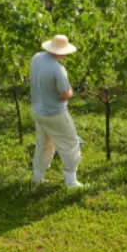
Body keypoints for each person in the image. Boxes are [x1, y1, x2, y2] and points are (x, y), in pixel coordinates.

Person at [30, 35, 85, 189]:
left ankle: (37, 177)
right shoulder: (58, 69)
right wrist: (71, 92)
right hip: (55, 114)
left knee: (43, 143)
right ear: (61, 52)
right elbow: (64, 93)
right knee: (70, 144)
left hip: (37, 111)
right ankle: (71, 182)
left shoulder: (36, 58)